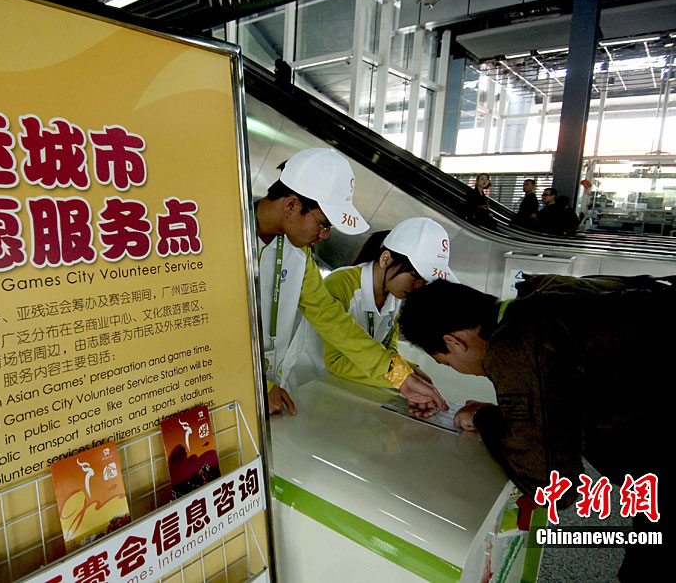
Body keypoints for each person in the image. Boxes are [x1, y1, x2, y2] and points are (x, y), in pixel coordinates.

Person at [398, 275, 670, 582]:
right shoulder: (550, 291)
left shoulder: (517, 343)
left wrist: (486, 419)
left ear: (454, 342)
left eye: (447, 363)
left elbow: (553, 487)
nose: (458, 370)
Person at [254, 148, 447, 417]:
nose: (325, 235)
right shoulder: (223, 237)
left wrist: (400, 375)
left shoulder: (297, 253)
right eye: (323, 223)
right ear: (291, 205)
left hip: (274, 393)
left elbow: (330, 317)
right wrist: (258, 386)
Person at [318, 217, 458, 387]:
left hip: (349, 387)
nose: (419, 286)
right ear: (385, 259)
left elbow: (387, 347)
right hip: (311, 382)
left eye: (426, 280)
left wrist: (408, 370)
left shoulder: (395, 295)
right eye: (415, 275)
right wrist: (401, 379)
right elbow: (336, 361)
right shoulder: (340, 284)